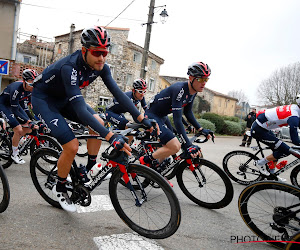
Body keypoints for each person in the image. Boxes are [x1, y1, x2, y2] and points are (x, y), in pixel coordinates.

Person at [31, 26, 156, 212]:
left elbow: (118, 94)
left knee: (98, 122)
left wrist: (141, 118)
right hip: (44, 101)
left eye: (105, 52)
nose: (102, 58)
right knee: (72, 146)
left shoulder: (101, 67)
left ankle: (89, 167)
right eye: (97, 52)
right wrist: (111, 137)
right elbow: (81, 110)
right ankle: (60, 187)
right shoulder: (69, 67)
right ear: (84, 51)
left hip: (65, 99)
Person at [140, 62, 213, 172]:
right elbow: (177, 119)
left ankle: (154, 174)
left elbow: (188, 113)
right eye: (201, 79)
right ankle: (145, 160)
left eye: (206, 80)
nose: (204, 83)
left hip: (162, 116)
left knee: (171, 143)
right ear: (191, 78)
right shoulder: (180, 89)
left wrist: (201, 129)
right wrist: (188, 145)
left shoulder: (193, 92)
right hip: (152, 115)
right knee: (175, 146)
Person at [251, 99, 300, 180]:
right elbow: (295, 140)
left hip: (264, 127)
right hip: (259, 130)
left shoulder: (295, 108)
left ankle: (271, 175)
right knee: (286, 150)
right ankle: (259, 163)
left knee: (277, 150)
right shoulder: (294, 116)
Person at [0, 69, 39, 164]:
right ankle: (14, 154)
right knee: (18, 128)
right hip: (3, 106)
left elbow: (25, 109)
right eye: (30, 84)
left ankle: (14, 139)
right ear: (24, 81)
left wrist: (31, 120)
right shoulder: (16, 89)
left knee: (29, 129)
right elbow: (15, 109)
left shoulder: (29, 91)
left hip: (14, 107)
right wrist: (28, 121)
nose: (32, 86)